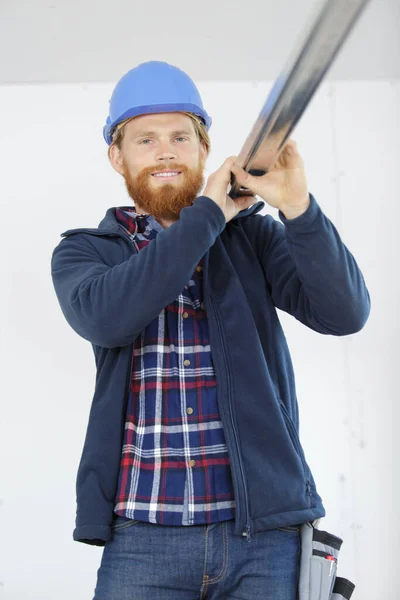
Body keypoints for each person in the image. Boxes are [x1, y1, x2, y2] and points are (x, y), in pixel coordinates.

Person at [50, 61, 370, 600]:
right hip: (141, 539)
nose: (166, 151)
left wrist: (298, 207)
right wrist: (209, 214)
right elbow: (107, 319)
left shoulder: (255, 240)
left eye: (180, 136)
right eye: (145, 139)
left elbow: (344, 313)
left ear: (203, 150)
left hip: (265, 535)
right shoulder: (86, 252)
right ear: (117, 157)